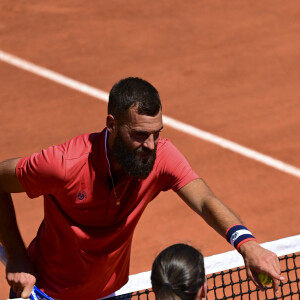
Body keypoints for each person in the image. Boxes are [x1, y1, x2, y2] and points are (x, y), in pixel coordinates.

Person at [0, 77, 283, 299]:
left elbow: (205, 200)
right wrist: (16, 256)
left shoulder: (161, 155)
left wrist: (247, 245)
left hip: (110, 294)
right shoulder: (63, 165)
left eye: (156, 133)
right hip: (45, 294)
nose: (149, 145)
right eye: (139, 135)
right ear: (111, 124)